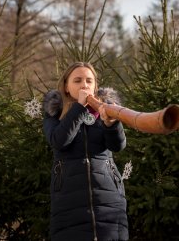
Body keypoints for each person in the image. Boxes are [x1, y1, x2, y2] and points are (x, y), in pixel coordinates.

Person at [43, 62, 128, 241]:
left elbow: (117, 146)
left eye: (89, 80)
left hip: (109, 201)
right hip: (69, 202)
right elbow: (59, 141)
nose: (84, 85)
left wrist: (111, 124)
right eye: (77, 80)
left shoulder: (105, 110)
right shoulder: (54, 114)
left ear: (95, 86)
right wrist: (79, 108)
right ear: (66, 87)